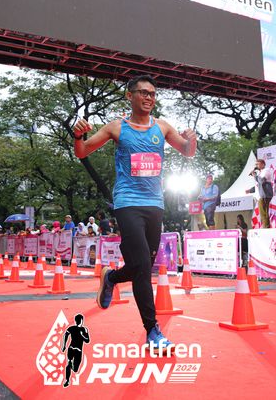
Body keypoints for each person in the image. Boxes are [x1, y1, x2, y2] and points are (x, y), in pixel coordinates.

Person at [73, 74, 197, 352]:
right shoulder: (117, 127)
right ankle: (152, 330)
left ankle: (112, 278)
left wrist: (192, 140)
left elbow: (187, 151)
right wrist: (78, 136)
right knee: (141, 265)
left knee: (141, 267)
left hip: (155, 204)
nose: (149, 98)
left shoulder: (162, 127)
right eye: (143, 92)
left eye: (152, 94)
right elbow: (82, 152)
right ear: (129, 96)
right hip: (127, 202)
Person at [60, 313, 90, 388]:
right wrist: (82, 335)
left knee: (72, 366)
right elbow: (87, 340)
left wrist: (64, 345)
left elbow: (66, 335)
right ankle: (67, 379)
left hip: (72, 349)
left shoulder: (75, 328)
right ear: (81, 321)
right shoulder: (81, 329)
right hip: (76, 350)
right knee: (73, 367)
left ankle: (67, 379)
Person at [247, 159, 274, 228]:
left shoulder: (266, 170)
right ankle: (266, 226)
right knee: (263, 212)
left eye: (257, 164)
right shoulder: (261, 172)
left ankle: (266, 227)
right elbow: (258, 184)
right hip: (262, 194)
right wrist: (250, 190)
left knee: (263, 212)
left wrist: (254, 175)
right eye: (256, 164)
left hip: (265, 194)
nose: (256, 166)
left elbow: (261, 181)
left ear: (263, 164)